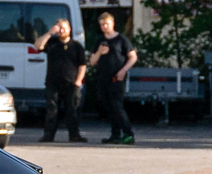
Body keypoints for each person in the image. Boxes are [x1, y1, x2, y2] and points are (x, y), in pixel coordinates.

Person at [29, 17, 87, 143]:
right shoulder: (52, 43)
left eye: (63, 28)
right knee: (52, 111)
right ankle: (48, 135)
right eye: (58, 28)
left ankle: (74, 136)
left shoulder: (77, 46)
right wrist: (49, 33)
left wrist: (78, 81)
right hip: (53, 83)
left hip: (71, 84)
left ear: (69, 29)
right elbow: (37, 45)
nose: (61, 30)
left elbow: (82, 65)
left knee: (73, 110)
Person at [87, 9, 138, 146]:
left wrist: (123, 71)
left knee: (117, 106)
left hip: (117, 78)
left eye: (107, 24)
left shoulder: (121, 39)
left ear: (113, 23)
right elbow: (92, 61)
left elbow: (133, 57)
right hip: (103, 78)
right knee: (108, 107)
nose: (104, 27)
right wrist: (99, 52)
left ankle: (128, 134)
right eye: (102, 24)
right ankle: (115, 134)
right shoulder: (100, 41)